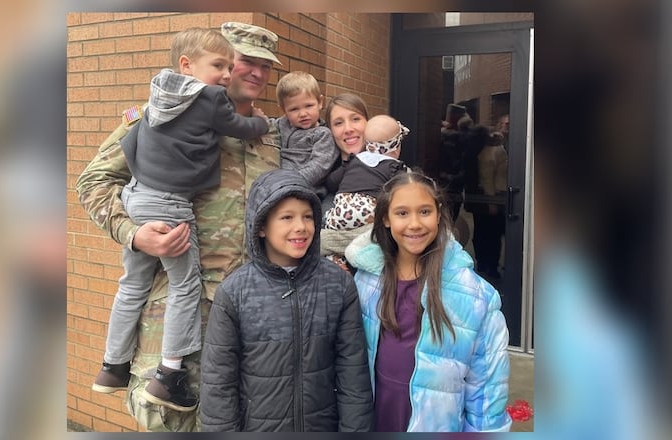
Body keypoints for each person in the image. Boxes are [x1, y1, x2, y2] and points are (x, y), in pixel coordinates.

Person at [76, 21, 282, 431]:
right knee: (173, 421)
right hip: (177, 317)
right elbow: (93, 180)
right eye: (244, 61)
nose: (255, 73)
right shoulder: (159, 116)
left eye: (265, 65)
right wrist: (132, 234)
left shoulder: (272, 134)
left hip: (253, 317)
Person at [199, 169, 373, 432]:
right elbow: (218, 384)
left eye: (307, 217)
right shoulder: (235, 293)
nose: (300, 227)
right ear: (261, 228)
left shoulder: (338, 285)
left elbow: (353, 374)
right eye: (286, 217)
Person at [344, 171, 512, 432]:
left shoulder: (475, 295)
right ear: (386, 218)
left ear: (439, 214)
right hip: (375, 418)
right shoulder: (365, 280)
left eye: (424, 211)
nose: (414, 224)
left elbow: (488, 389)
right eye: (402, 213)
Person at [324, 114, 409, 231]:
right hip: (370, 211)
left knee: (328, 220)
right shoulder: (394, 167)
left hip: (342, 211)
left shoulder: (354, 160)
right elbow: (406, 193)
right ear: (396, 148)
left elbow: (332, 182)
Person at [317, 93, 372, 269]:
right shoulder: (321, 178)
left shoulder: (392, 170)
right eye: (338, 123)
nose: (348, 129)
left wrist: (325, 240)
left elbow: (393, 232)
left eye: (355, 119)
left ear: (367, 123)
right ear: (330, 130)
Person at [275, 71, 338, 199]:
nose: (303, 114)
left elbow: (319, 166)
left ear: (320, 102)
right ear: (283, 110)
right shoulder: (282, 124)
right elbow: (264, 125)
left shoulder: (322, 134)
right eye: (294, 109)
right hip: (278, 187)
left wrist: (291, 182)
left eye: (308, 106)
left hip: (307, 190)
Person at [472, 131, 508, 279]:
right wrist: (492, 202)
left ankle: (485, 264)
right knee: (492, 235)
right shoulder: (489, 154)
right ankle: (490, 266)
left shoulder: (492, 152)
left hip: (489, 198)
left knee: (484, 232)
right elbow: (487, 179)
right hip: (492, 199)